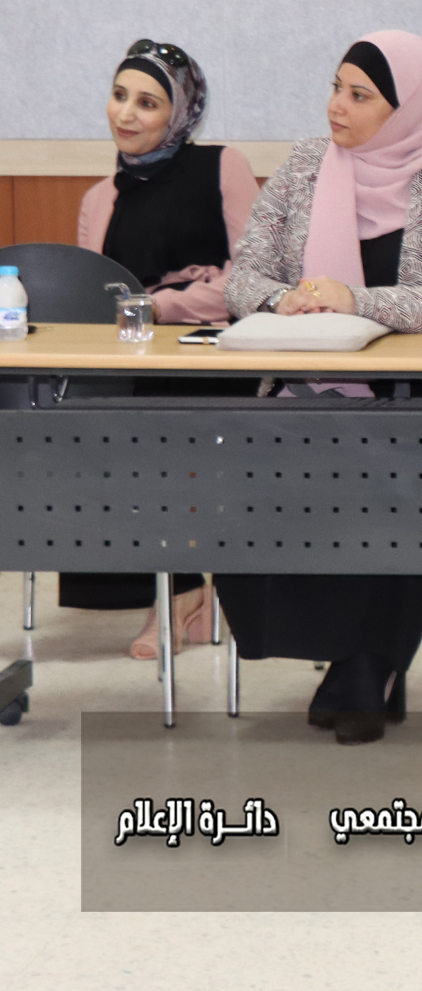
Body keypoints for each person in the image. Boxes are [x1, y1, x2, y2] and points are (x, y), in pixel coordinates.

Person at [218, 31, 422, 745]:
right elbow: (242, 275)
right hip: (310, 396)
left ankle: (369, 662)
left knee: (403, 479)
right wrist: (283, 298)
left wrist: (358, 302)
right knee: (255, 471)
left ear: (406, 108)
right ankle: (346, 654)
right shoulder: (303, 168)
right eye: (336, 87)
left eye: (359, 94)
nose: (336, 106)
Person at [62, 38, 258, 659]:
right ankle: (181, 587)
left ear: (180, 112)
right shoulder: (100, 198)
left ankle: (177, 591)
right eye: (119, 95)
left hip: (214, 360)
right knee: (86, 424)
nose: (126, 113)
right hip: (134, 360)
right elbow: (96, 296)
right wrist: (138, 310)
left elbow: (251, 279)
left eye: (147, 102)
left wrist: (159, 306)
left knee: (156, 430)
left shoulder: (223, 167)